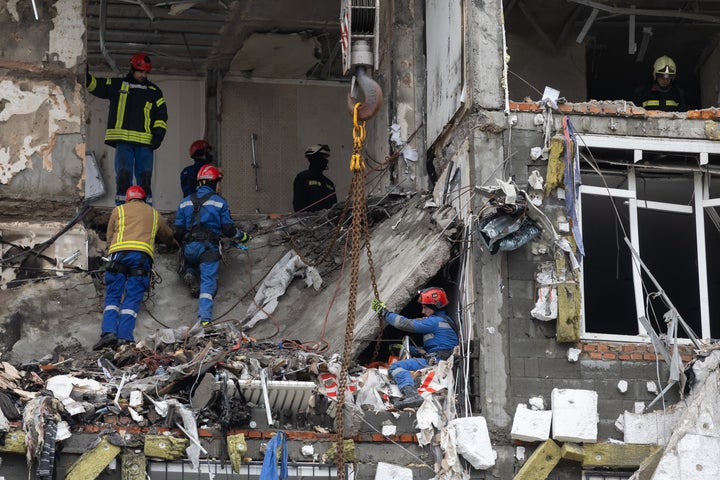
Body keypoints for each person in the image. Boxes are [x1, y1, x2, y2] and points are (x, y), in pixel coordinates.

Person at [93, 186, 176, 350]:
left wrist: (111, 250)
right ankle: (125, 338)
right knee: (132, 297)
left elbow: (110, 236)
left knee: (113, 295)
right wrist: (174, 244)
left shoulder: (119, 210)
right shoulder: (154, 213)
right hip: (141, 258)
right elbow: (167, 236)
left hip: (119, 255)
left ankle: (109, 333)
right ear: (144, 199)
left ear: (128, 199)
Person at [87, 52, 169, 205]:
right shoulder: (118, 85)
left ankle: (146, 210)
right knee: (123, 178)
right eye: (140, 71)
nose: (143, 75)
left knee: (144, 179)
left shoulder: (154, 92)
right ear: (132, 69)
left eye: (146, 72)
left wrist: (158, 135)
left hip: (145, 144)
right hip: (124, 143)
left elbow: (161, 115)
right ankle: (122, 211)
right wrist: (83, 74)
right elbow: (96, 86)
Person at [174, 165, 251, 327]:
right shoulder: (219, 203)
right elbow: (228, 230)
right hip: (209, 249)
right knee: (208, 283)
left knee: (190, 258)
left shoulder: (184, 202)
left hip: (189, 248)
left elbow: (178, 232)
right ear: (213, 182)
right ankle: (204, 320)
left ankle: (189, 271)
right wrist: (243, 236)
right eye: (218, 182)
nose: (219, 186)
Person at [371, 287, 459, 409]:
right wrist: (411, 350)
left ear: (435, 306)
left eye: (425, 307)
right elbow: (436, 348)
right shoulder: (445, 321)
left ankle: (412, 394)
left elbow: (405, 324)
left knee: (396, 366)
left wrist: (384, 313)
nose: (422, 311)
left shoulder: (434, 321)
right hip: (440, 359)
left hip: (438, 362)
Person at [292, 144, 338, 212]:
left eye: (326, 158)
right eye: (323, 157)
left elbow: (334, 207)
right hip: (308, 220)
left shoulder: (329, 183)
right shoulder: (303, 178)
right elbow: (298, 204)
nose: (326, 161)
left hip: (327, 221)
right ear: (314, 159)